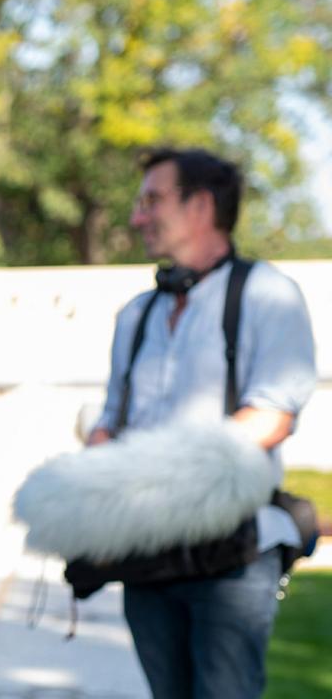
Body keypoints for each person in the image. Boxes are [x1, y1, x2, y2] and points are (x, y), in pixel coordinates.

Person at [86, 148, 316, 698]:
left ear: (201, 206)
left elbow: (272, 416)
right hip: (145, 553)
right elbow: (111, 423)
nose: (137, 217)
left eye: (152, 201)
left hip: (229, 555)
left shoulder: (267, 294)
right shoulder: (135, 314)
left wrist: (160, 474)